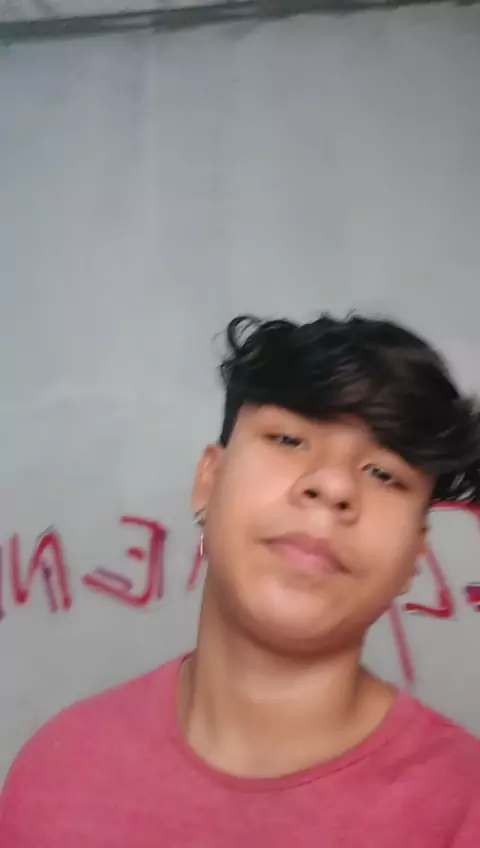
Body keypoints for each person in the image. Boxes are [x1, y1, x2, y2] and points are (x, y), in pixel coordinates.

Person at [1, 313, 480, 847]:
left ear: (416, 553)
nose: (333, 485)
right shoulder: (59, 771)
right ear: (209, 481)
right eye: (289, 439)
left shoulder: (464, 809)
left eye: (384, 473)